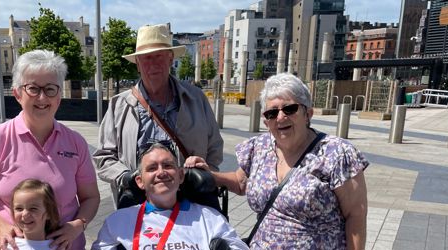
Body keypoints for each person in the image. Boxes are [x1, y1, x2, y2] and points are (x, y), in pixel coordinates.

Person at [187, 73, 369, 249]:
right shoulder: (259, 147)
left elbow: (356, 215)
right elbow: (241, 182)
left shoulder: (336, 153)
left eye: (290, 109)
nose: (280, 117)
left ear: (308, 113)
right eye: (272, 113)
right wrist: (209, 174)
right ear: (266, 121)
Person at [0, 50, 100, 250]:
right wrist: (0, 226)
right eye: (33, 88)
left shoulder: (75, 142)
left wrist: (77, 225)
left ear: (60, 94)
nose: (42, 97)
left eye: (50, 89)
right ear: (17, 94)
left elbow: (91, 197)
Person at [93, 23, 223, 208]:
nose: (153, 64)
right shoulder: (119, 104)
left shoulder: (196, 98)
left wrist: (205, 173)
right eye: (146, 58)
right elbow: (104, 156)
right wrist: (127, 178)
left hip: (191, 203)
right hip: (139, 206)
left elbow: (215, 147)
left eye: (159, 56)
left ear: (170, 59)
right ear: (137, 64)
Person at [92, 141, 248, 250]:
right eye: (152, 168)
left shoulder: (209, 218)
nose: (161, 172)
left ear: (181, 176)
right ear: (140, 181)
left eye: (167, 165)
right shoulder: (118, 220)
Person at [9, 179, 61, 250]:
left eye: (33, 209)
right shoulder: (9, 247)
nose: (25, 214)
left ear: (49, 213)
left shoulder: (58, 247)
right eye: (19, 209)